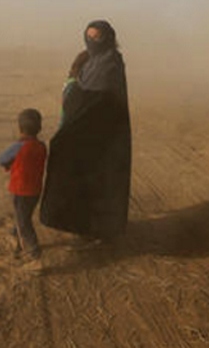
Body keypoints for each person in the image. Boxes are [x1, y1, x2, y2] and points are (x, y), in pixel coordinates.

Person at [40, 20, 131, 248]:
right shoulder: (91, 60)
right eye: (88, 36)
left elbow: (99, 100)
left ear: (108, 38)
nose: (92, 41)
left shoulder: (110, 62)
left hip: (103, 134)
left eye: (97, 37)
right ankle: (84, 227)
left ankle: (97, 232)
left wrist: (75, 101)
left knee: (99, 180)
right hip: (87, 130)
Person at [0, 109, 48, 273]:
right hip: (35, 190)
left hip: (21, 190)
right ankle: (16, 238)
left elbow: (2, 159)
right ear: (39, 128)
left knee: (24, 221)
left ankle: (35, 258)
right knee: (23, 215)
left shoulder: (19, 146)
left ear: (20, 128)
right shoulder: (41, 146)